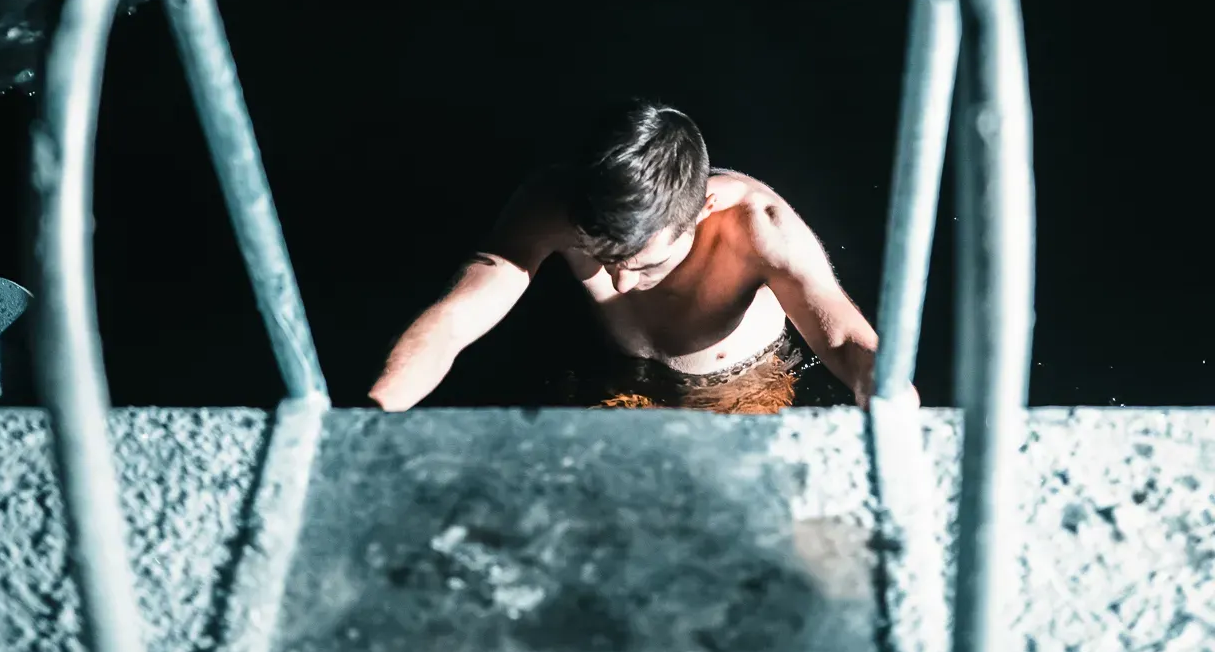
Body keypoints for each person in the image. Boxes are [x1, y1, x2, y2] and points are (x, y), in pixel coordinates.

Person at [368, 98, 908, 415]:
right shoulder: (553, 206)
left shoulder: (757, 227)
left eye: (646, 264)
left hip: (738, 397)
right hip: (615, 387)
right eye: (600, 258)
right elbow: (454, 321)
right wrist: (372, 416)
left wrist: (894, 411)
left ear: (703, 210)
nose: (620, 286)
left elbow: (843, 340)